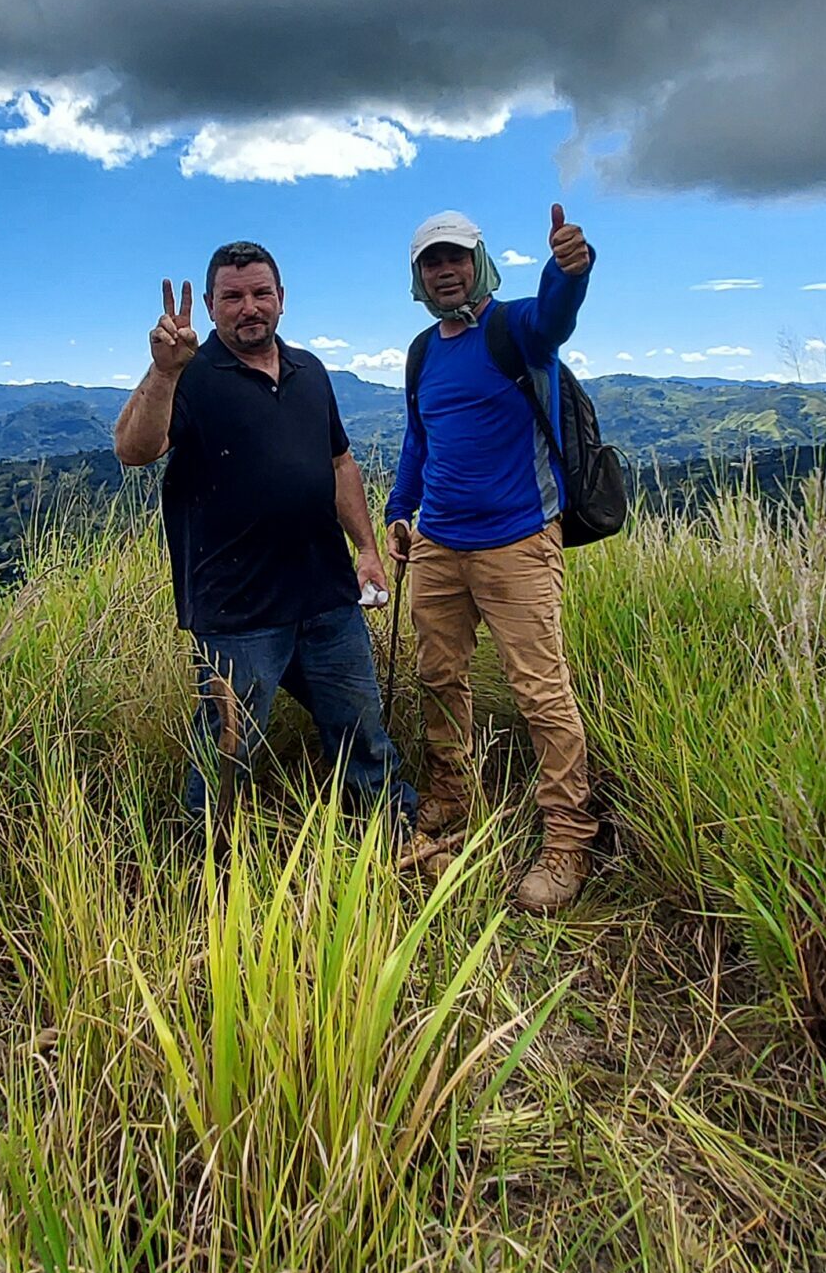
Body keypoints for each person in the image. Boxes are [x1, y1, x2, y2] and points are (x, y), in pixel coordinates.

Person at [113, 241, 417, 833]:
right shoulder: (189, 376)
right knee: (229, 745)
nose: (249, 307)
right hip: (237, 609)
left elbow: (340, 464)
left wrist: (366, 550)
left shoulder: (310, 371)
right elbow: (134, 450)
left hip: (326, 595)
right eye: (232, 297)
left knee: (361, 728)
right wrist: (164, 371)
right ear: (210, 306)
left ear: (281, 299)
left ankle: (390, 829)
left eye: (260, 293)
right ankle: (209, 852)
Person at [385, 204, 599, 913]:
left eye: (456, 257)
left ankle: (567, 840)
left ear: (479, 263)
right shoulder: (423, 352)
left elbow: (556, 316)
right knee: (438, 676)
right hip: (439, 544)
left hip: (517, 542)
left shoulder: (517, 330)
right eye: (432, 262)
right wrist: (399, 511)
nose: (445, 271)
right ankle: (452, 792)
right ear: (418, 277)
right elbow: (419, 440)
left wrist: (568, 269)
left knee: (540, 691)